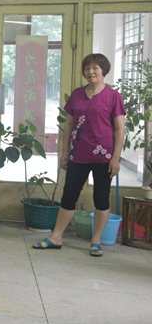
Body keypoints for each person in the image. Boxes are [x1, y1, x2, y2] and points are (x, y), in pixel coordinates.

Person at [33, 53, 126, 258]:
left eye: (95, 68)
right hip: (78, 154)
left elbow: (120, 129)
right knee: (69, 196)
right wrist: (65, 151)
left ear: (103, 71)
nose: (90, 72)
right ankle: (56, 237)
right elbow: (69, 124)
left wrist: (116, 157)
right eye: (87, 68)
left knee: (101, 198)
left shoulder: (113, 96)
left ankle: (96, 240)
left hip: (104, 157)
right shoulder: (77, 94)